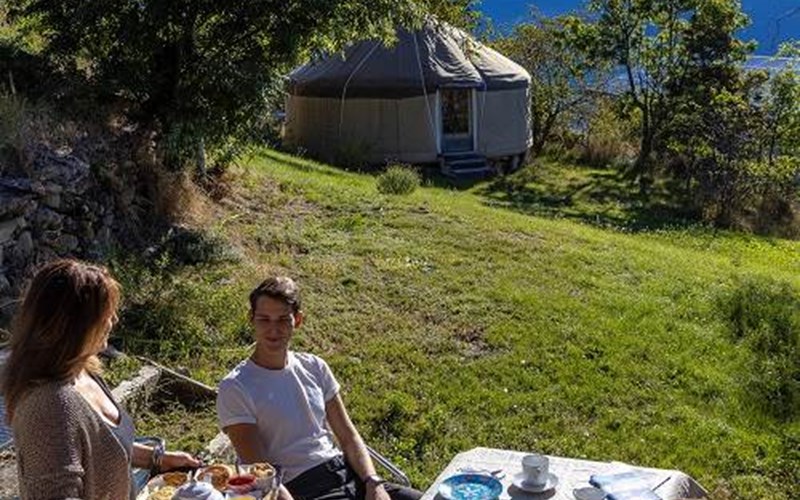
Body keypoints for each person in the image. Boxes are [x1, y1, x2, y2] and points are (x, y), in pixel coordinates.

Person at [1, 259, 201, 499]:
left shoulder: (84, 370)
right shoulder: (49, 407)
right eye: (106, 313)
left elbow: (100, 447)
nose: (113, 320)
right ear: (74, 325)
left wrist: (157, 459)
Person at [217, 277, 422, 500]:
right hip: (299, 488)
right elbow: (259, 471)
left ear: (298, 320)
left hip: (346, 473)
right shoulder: (236, 386)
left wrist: (374, 483)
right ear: (251, 320)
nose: (273, 330)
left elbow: (348, 436)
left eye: (283, 320)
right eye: (264, 319)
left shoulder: (314, 367)